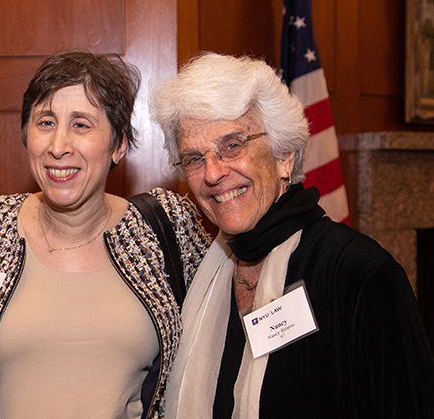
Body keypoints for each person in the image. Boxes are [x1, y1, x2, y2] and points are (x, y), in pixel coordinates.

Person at [151, 52, 434, 419]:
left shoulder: (361, 275)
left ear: (285, 155)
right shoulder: (202, 277)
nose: (213, 173)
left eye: (232, 145)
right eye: (193, 158)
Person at [0, 51, 211, 419]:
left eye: (81, 125)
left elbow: (215, 341)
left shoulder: (166, 228)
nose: (58, 146)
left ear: (119, 145)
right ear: (26, 136)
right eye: (45, 122)